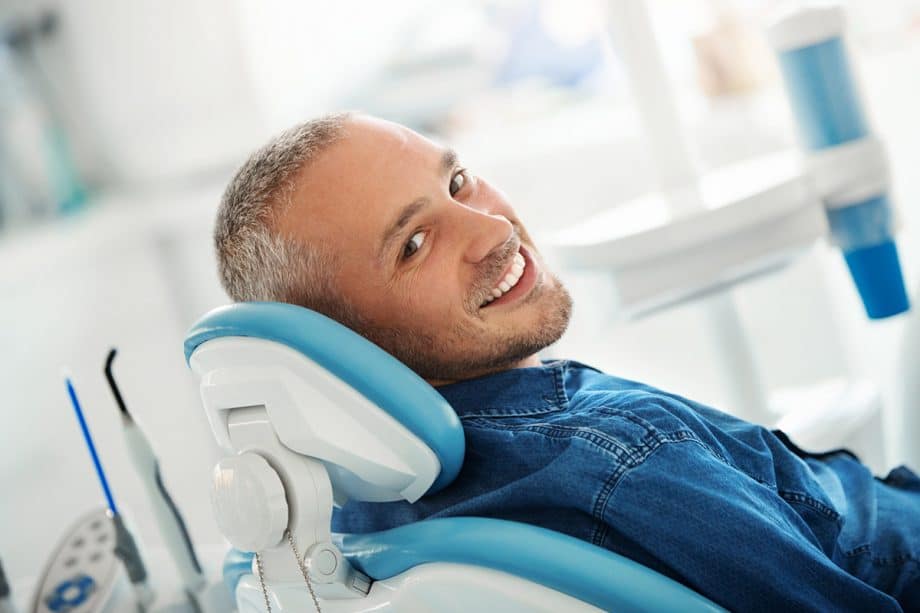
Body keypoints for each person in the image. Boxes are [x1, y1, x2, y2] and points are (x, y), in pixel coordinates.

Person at [214, 112, 919, 612]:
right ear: (344, 344)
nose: (492, 228)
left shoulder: (353, 529)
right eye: (414, 244)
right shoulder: (623, 457)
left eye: (457, 182)